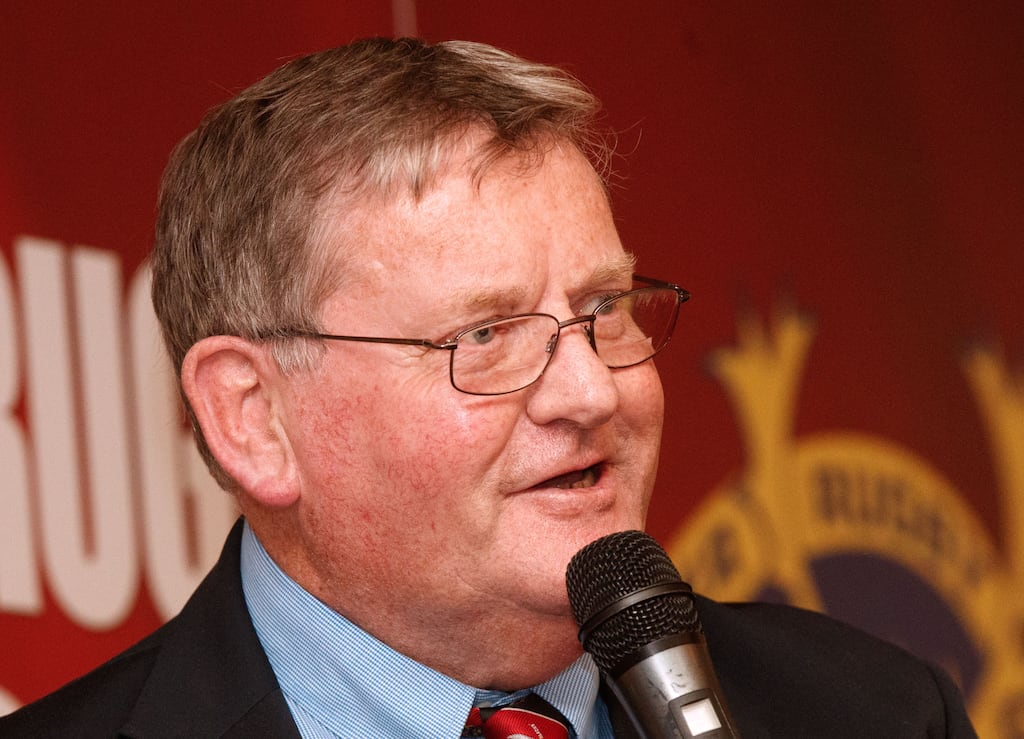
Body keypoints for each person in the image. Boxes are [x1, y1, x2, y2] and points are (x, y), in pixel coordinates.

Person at [1, 37, 975, 738]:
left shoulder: (872, 710)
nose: (592, 391)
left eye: (605, 308)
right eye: (488, 335)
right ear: (252, 418)